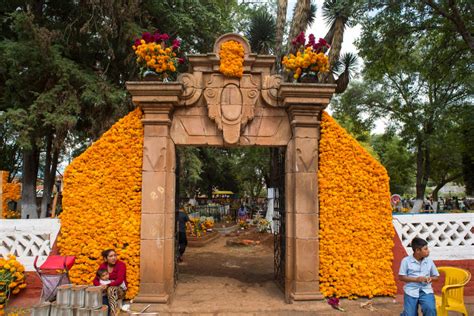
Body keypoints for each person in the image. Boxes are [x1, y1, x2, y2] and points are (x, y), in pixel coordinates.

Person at [399, 237, 439, 316]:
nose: (428, 251)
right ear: (417, 250)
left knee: (430, 309)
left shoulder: (429, 261)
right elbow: (401, 277)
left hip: (426, 290)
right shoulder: (406, 261)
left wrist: (430, 278)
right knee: (410, 314)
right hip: (411, 290)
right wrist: (416, 279)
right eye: (425, 249)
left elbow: (436, 277)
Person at [93, 249, 127, 316]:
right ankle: (103, 313)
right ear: (106, 258)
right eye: (111, 256)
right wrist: (101, 286)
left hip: (119, 290)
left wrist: (107, 285)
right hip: (105, 289)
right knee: (97, 290)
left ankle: (113, 313)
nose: (114, 258)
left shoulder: (121, 265)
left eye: (115, 255)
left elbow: (119, 280)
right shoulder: (103, 265)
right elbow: (95, 280)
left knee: (111, 289)